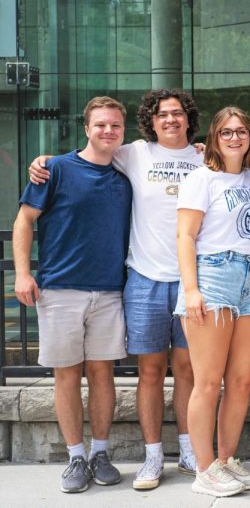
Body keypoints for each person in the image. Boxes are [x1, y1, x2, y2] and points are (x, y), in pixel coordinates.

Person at [30, 88, 203, 489]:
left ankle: (189, 450)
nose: (170, 120)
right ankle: (152, 457)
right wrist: (44, 163)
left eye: (177, 113)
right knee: (149, 372)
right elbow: (90, 151)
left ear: (188, 119)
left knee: (188, 370)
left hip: (193, 279)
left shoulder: (203, 156)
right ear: (151, 120)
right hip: (143, 278)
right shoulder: (134, 152)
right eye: (162, 114)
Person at [13, 96, 132, 493]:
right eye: (100, 124)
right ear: (86, 128)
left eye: (115, 125)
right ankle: (75, 457)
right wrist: (23, 273)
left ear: (123, 130)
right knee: (66, 376)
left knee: (102, 374)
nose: (108, 131)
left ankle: (100, 452)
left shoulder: (123, 174)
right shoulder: (55, 169)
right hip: (60, 290)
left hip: (110, 291)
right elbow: (24, 222)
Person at [175, 106, 250, 497]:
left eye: (242, 131)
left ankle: (226, 460)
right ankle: (204, 467)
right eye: (227, 132)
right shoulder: (202, 178)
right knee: (208, 381)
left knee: (242, 380)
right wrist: (192, 290)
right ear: (214, 137)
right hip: (214, 276)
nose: (235, 138)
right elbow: (185, 236)